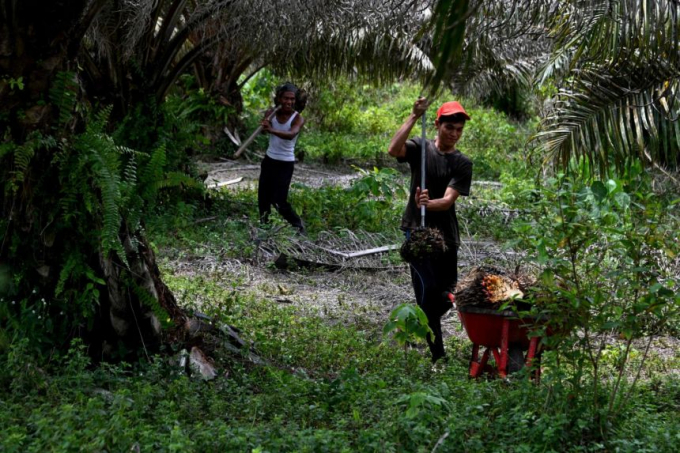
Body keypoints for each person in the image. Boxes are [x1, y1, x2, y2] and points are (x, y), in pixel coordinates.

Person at [387, 98, 473, 363]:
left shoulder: (462, 163)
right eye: (450, 128)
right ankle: (438, 356)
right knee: (427, 292)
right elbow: (393, 149)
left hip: (446, 236)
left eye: (459, 130)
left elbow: (448, 201)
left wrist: (428, 203)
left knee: (449, 294)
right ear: (437, 125)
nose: (455, 134)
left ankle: (420, 322)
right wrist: (413, 116)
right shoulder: (421, 149)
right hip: (418, 234)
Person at [258, 82, 306, 234]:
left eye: (292, 99)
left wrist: (271, 129)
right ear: (279, 98)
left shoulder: (297, 118)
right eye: (286, 98)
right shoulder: (271, 113)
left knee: (279, 201)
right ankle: (264, 228)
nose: (289, 102)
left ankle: (298, 225)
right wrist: (265, 125)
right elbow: (263, 132)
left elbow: (291, 134)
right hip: (269, 160)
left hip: (285, 164)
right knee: (263, 198)